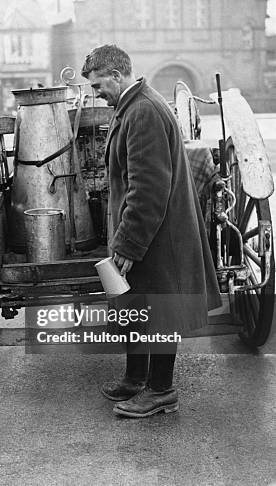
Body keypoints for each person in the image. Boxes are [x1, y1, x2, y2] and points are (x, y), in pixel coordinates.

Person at [80, 45, 221, 417]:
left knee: (157, 312)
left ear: (116, 75)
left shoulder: (141, 111)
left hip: (158, 237)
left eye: (98, 86)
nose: (97, 93)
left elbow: (147, 189)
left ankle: (161, 391)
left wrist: (128, 243)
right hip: (153, 234)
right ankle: (135, 377)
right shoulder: (134, 105)